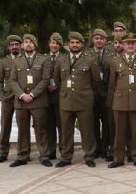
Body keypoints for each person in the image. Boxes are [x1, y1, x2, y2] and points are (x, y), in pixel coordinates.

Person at [53, 32, 100, 167]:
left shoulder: (90, 60)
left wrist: (86, 93)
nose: (74, 45)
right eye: (72, 42)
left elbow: (96, 81)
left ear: (82, 45)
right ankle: (66, 157)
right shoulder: (61, 59)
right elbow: (56, 79)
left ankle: (89, 156)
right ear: (68, 44)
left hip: (84, 101)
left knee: (87, 130)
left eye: (77, 42)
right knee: (66, 131)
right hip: (66, 101)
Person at [108, 33, 136, 168]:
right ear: (123, 45)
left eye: (133, 43)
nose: (131, 45)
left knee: (135, 131)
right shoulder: (115, 61)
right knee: (119, 131)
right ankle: (118, 158)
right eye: (128, 43)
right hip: (120, 101)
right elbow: (113, 82)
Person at [9, 34, 51, 167]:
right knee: (22, 129)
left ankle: (44, 156)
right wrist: (22, 95)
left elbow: (45, 79)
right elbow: (12, 80)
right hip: (21, 101)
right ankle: (22, 156)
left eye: (31, 42)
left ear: (35, 45)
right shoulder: (16, 61)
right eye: (26, 42)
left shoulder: (44, 59)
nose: (28, 44)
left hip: (38, 101)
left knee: (41, 129)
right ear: (22, 45)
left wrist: (32, 94)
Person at [0, 35, 21, 163]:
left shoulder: (25, 60)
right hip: (8, 97)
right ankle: (3, 152)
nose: (14, 47)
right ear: (9, 47)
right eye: (12, 45)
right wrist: (1, 96)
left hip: (21, 97)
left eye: (17, 44)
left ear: (20, 46)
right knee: (5, 126)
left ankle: (23, 152)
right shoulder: (3, 62)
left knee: (23, 125)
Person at [89, 29, 110, 159]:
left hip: (106, 92)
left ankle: (105, 147)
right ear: (93, 40)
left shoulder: (111, 54)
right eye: (97, 38)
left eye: (102, 38)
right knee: (93, 122)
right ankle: (96, 147)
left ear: (105, 40)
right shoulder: (87, 54)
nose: (99, 41)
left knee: (107, 122)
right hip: (91, 93)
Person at [46, 32, 64, 160]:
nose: (54, 45)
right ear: (49, 44)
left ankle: (64, 151)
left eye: (57, 43)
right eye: (53, 43)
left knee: (62, 125)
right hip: (46, 96)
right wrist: (47, 85)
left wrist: (57, 86)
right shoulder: (43, 58)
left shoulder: (65, 58)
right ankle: (51, 151)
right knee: (49, 126)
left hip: (60, 96)